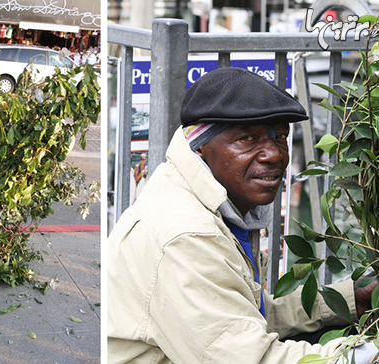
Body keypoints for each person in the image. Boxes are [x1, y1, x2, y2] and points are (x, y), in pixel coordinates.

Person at [107, 67, 379, 363]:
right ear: (200, 148)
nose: (273, 154)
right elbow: (249, 357)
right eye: (248, 138)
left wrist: (352, 298)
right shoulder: (187, 235)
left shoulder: (207, 199)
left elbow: (241, 316)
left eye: (279, 136)